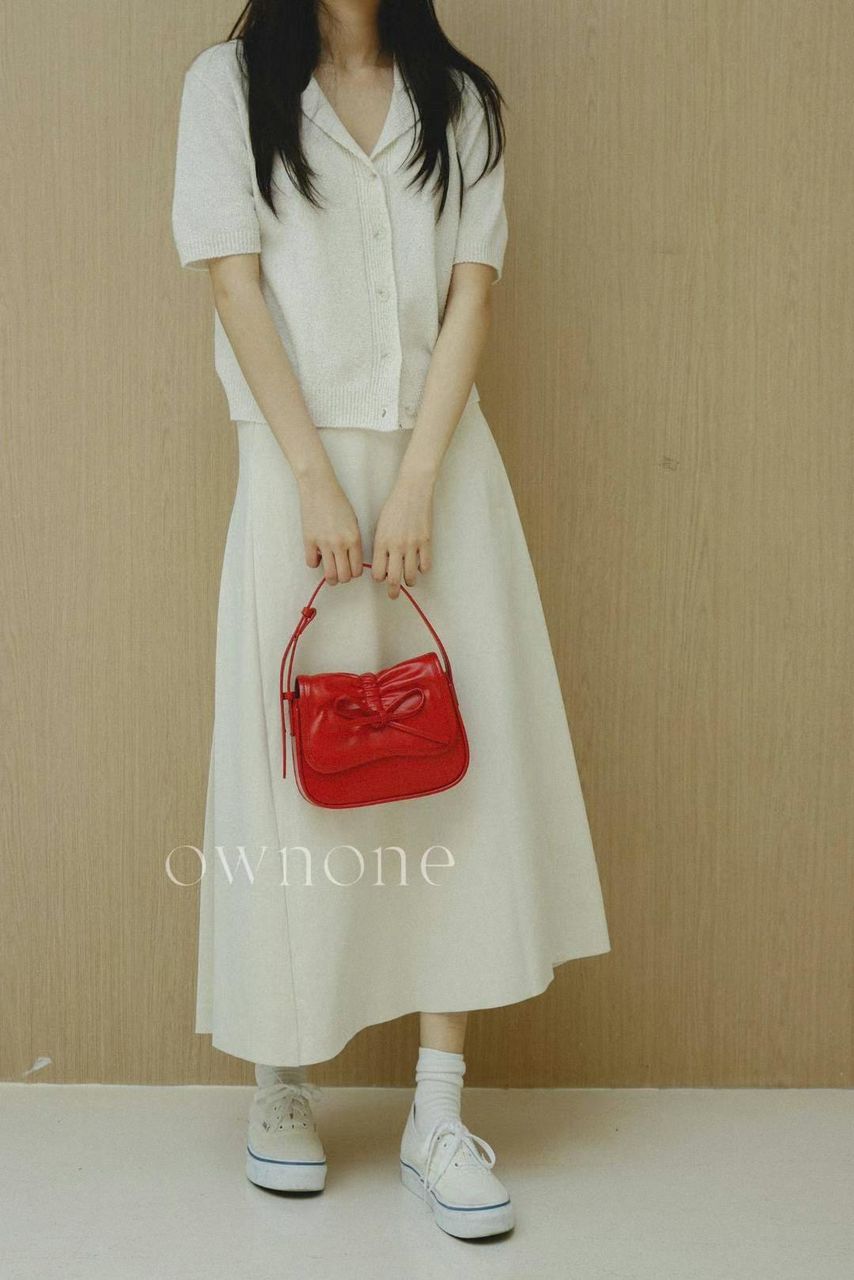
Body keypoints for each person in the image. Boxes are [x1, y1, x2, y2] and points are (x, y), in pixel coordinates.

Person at [171, 0, 611, 1241]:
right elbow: (233, 284)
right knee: (289, 777)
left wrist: (417, 478)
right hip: (290, 471)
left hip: (442, 471)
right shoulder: (225, 89)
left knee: (451, 781)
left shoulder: (458, 101)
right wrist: (314, 478)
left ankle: (437, 1108)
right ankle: (280, 1078)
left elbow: (472, 295)